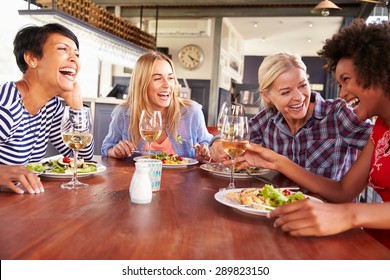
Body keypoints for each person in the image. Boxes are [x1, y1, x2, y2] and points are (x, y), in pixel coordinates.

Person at [233, 19, 390, 249]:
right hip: (368, 246)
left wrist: (346, 215)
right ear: (267, 96)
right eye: (339, 84)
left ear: (376, 72)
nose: (343, 95)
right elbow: (343, 191)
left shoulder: (340, 116)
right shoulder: (380, 131)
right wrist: (278, 162)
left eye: (346, 81)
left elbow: (345, 201)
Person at [210, 52, 372, 180]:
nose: (299, 97)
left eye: (302, 86)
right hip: (277, 209)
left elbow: (381, 144)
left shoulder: (337, 114)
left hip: (331, 215)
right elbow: (233, 138)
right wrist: (217, 142)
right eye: (286, 92)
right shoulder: (267, 119)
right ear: (266, 95)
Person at [0, 23, 94, 194]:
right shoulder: (7, 104)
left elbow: (82, 158)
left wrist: (76, 105)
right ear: (32, 59)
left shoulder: (51, 107)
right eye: (63, 49)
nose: (74, 59)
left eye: (76, 54)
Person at [101, 51, 212, 161]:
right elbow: (107, 147)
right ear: (142, 83)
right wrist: (115, 151)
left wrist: (205, 152)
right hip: (140, 178)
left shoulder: (191, 111)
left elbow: (208, 143)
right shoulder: (124, 113)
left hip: (182, 178)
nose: (167, 85)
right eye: (158, 78)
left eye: (170, 78)